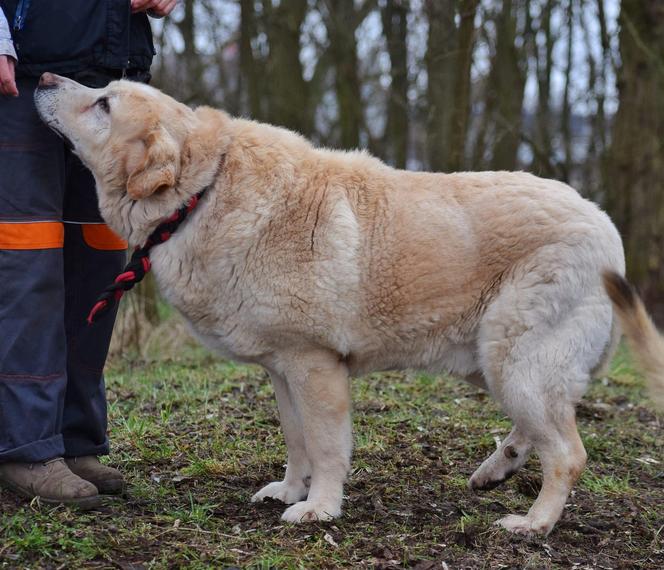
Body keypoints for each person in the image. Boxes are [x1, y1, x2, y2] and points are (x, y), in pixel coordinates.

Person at [0, 0, 177, 508]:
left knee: (98, 259)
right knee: (26, 264)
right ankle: (26, 445)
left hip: (111, 80)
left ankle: (74, 438)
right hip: (21, 72)